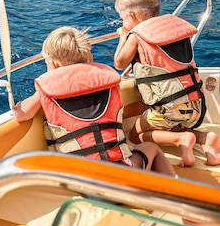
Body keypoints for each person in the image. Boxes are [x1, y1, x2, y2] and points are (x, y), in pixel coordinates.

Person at [13, 26, 175, 176]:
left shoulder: (46, 89)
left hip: (81, 178)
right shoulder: (109, 82)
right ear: (88, 56)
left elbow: (21, 114)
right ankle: (176, 195)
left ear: (54, 63)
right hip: (123, 176)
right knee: (152, 149)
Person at [113, 0, 220, 167]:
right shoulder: (176, 30)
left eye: (123, 19)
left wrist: (123, 36)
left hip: (167, 110)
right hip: (196, 106)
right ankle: (205, 138)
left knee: (135, 135)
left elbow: (119, 63)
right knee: (172, 123)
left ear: (131, 16)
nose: (124, 23)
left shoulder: (137, 35)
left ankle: (182, 140)